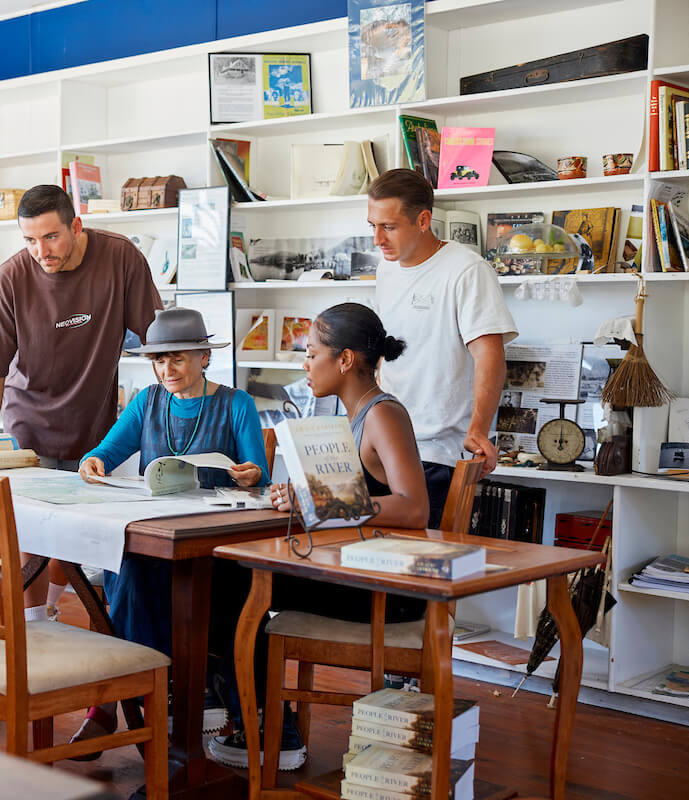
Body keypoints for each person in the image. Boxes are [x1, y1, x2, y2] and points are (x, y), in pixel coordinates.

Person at [226, 302, 429, 771]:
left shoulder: (382, 415)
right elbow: (354, 497)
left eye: (312, 352)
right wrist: (301, 494)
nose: (305, 363)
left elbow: (414, 505)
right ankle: (243, 712)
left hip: (386, 591)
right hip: (356, 574)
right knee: (231, 573)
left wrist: (323, 503)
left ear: (345, 360)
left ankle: (265, 726)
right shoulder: (350, 416)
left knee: (237, 581)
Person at [71, 307, 269, 755]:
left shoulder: (236, 403)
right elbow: (105, 450)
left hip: (214, 545)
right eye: (159, 361)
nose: (167, 370)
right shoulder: (147, 400)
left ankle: (119, 704)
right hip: (157, 536)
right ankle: (152, 697)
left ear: (203, 357)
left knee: (131, 580)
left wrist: (251, 474)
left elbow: (262, 475)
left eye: (177, 359)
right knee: (127, 571)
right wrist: (93, 462)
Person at [0, 184, 163, 621]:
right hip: (26, 426)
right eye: (30, 240)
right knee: (30, 535)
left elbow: (157, 345)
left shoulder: (120, 258)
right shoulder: (11, 277)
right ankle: (35, 623)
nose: (41, 250)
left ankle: (52, 611)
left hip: (93, 429)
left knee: (74, 537)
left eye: (51, 237)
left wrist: (170, 414)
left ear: (76, 225)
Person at [369, 169, 517, 527]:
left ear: (423, 220)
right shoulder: (385, 270)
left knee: (416, 569)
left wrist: (479, 430)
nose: (377, 239)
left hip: (436, 451)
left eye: (388, 226)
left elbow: (490, 356)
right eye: (372, 225)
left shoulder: (467, 270)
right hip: (383, 446)